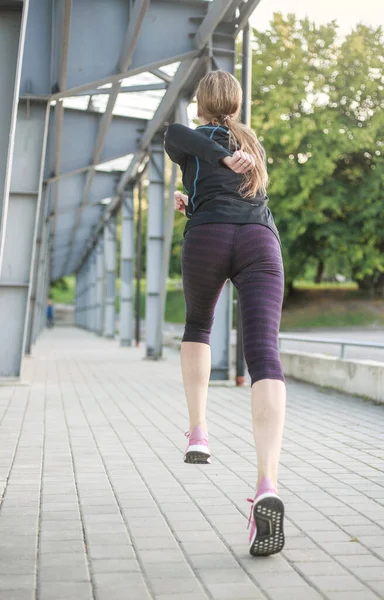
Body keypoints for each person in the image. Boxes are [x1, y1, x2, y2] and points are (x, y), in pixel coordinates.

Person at [164, 70, 286, 557]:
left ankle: (199, 432)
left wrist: (209, 169)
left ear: (201, 102)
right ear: (235, 104)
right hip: (260, 241)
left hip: (210, 237)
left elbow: (173, 134)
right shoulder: (248, 143)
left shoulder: (198, 138)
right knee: (265, 357)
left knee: (198, 326)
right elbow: (210, 170)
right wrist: (194, 193)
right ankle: (268, 482)